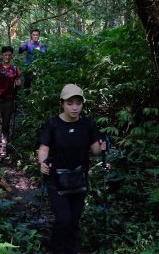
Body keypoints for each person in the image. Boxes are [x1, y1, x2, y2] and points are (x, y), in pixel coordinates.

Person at [38, 84, 107, 254]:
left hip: (79, 178)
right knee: (64, 219)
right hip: (56, 178)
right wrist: (42, 163)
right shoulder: (53, 124)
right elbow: (44, 148)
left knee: (74, 220)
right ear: (62, 103)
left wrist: (102, 147)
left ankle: (71, 248)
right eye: (70, 103)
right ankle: (57, 248)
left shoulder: (87, 124)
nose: (75, 107)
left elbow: (95, 151)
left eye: (78, 103)